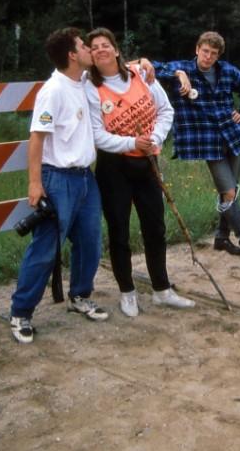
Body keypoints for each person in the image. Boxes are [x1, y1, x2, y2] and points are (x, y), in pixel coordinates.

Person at [85, 27, 195, 318]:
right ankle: (127, 292)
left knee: (154, 227)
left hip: (147, 162)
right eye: (94, 47)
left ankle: (162, 289)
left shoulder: (140, 75)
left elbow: (165, 111)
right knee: (119, 229)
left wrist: (155, 139)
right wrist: (132, 142)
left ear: (117, 49)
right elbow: (97, 135)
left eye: (105, 44)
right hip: (113, 166)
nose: (100, 49)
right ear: (90, 56)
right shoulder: (89, 86)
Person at [9, 27, 108, 344]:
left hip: (85, 178)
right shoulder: (52, 90)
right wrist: (35, 182)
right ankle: (21, 313)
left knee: (91, 241)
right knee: (45, 248)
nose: (90, 49)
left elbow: (119, 67)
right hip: (58, 178)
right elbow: (36, 137)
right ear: (71, 54)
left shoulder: (81, 82)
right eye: (83, 45)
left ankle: (80, 296)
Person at [150, 31, 240, 263]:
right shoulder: (183, 68)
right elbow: (151, 67)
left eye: (213, 54)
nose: (208, 57)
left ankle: (221, 237)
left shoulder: (227, 71)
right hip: (207, 142)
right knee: (229, 192)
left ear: (218, 56)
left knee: (231, 191)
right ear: (197, 49)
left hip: (232, 136)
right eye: (205, 51)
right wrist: (178, 73)